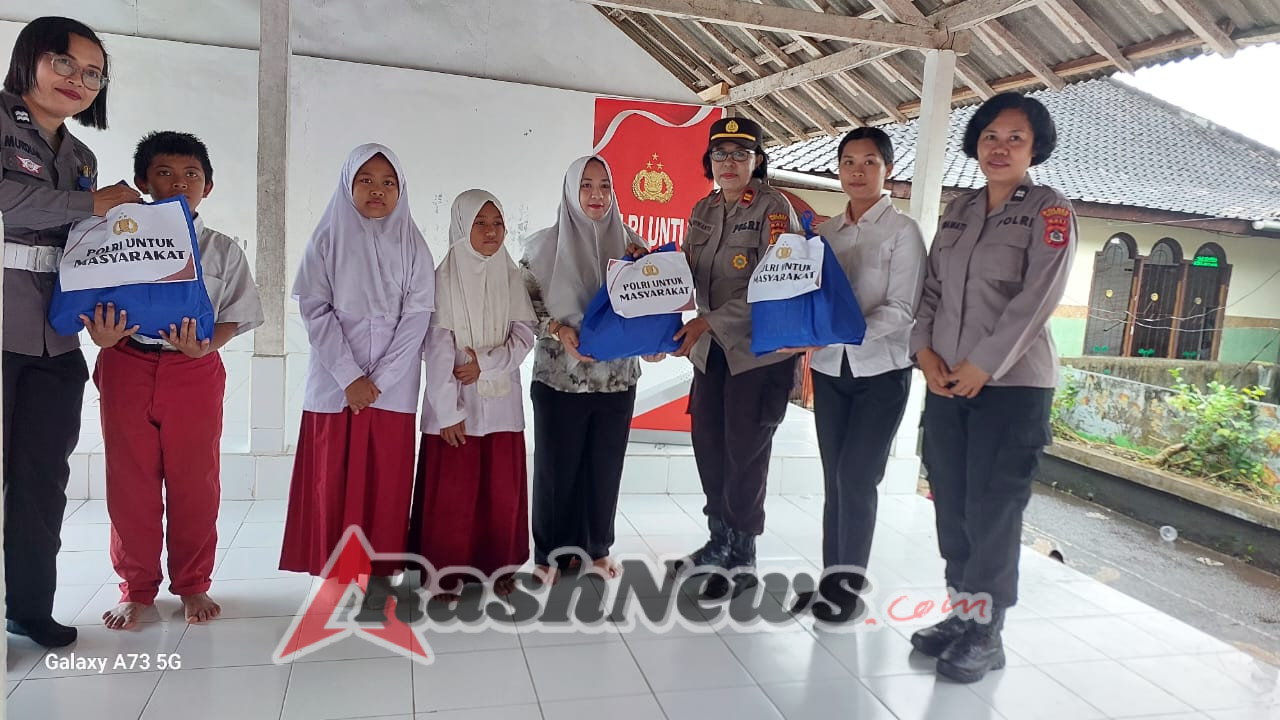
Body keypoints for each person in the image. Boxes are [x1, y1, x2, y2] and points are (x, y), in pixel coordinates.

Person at [908, 92, 1075, 683]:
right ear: (976, 143)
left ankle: (987, 632)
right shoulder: (959, 208)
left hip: (1011, 387)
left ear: (1034, 149)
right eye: (990, 136)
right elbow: (930, 290)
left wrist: (983, 364)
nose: (1000, 147)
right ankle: (961, 613)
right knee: (951, 502)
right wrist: (923, 353)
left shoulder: (1050, 211)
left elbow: (1038, 299)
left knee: (993, 510)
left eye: (1015, 138)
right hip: (947, 382)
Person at [81, 131, 263, 629]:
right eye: (165, 173)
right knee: (130, 482)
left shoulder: (222, 250)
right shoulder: (115, 239)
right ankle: (137, 588)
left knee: (195, 482)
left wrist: (207, 345)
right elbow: (87, 298)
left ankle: (193, 584)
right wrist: (99, 334)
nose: (179, 183)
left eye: (191, 175)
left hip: (194, 371)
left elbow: (239, 314)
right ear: (143, 181)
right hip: (125, 362)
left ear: (209, 186)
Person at [1, 16, 140, 648]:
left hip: (56, 339)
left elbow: (85, 247)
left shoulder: (83, 158)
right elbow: (11, 200)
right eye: (65, 62)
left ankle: (30, 607)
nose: (77, 80)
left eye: (92, 73)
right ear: (30, 58)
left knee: (41, 479)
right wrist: (93, 205)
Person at [280, 144, 435, 598]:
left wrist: (379, 381)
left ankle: (377, 573)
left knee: (384, 480)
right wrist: (350, 377)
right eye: (366, 179)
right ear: (348, 184)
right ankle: (331, 573)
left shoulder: (413, 244)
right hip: (334, 381)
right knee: (333, 476)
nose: (377, 190)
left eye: (389, 182)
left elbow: (417, 318)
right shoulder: (327, 239)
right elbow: (315, 309)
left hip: (393, 385)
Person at [790, 128, 926, 622]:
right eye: (849, 162)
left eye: (869, 162)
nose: (858, 171)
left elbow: (903, 309)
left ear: (886, 169)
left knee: (857, 477)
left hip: (880, 373)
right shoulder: (823, 234)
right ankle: (831, 583)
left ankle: (847, 591)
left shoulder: (903, 232)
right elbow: (806, 295)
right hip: (828, 370)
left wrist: (841, 331)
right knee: (835, 479)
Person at [672, 117, 800, 596]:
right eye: (721, 154)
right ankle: (717, 541)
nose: (729, 163)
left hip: (757, 355)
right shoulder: (703, 208)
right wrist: (645, 273)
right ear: (710, 162)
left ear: (757, 161)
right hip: (711, 354)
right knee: (709, 445)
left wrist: (708, 321)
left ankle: (742, 557)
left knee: (745, 455)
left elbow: (772, 284)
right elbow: (684, 272)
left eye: (740, 154)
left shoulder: (773, 210)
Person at [521, 155, 650, 585]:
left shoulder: (633, 244)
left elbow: (650, 302)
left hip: (616, 380)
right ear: (571, 192)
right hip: (561, 380)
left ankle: (596, 549)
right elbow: (525, 311)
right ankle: (550, 555)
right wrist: (558, 330)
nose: (597, 195)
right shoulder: (541, 249)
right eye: (587, 186)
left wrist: (652, 341)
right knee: (557, 470)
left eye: (604, 186)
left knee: (604, 466)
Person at [409, 190, 536, 601]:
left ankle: (498, 567)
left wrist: (485, 362)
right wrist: (447, 412)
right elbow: (438, 347)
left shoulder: (511, 274)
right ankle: (444, 573)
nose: (490, 232)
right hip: (457, 406)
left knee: (500, 492)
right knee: (455, 494)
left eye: (497, 223)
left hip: (500, 404)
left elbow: (524, 334)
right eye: (480, 223)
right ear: (462, 226)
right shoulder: (443, 277)